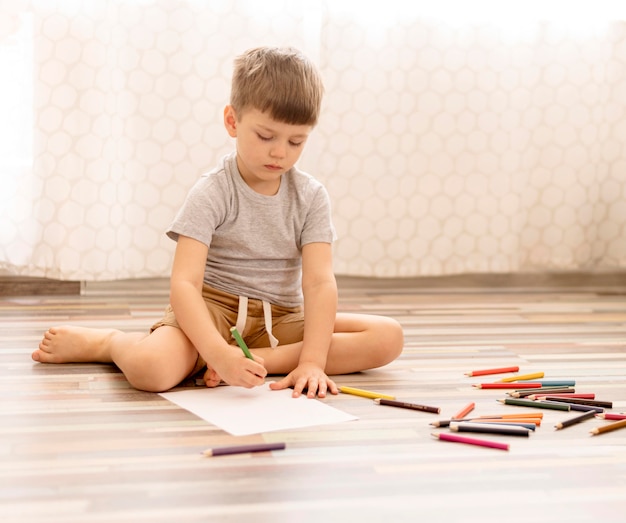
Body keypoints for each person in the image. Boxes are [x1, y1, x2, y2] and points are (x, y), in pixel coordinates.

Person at [32, 46, 404, 399]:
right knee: (151, 370)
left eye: (296, 141)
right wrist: (216, 349)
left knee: (388, 337)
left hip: (281, 320)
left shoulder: (311, 196)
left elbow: (320, 283)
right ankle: (112, 342)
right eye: (266, 135)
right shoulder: (211, 191)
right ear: (232, 121)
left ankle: (259, 362)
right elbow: (184, 285)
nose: (280, 152)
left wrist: (311, 362)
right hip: (211, 312)